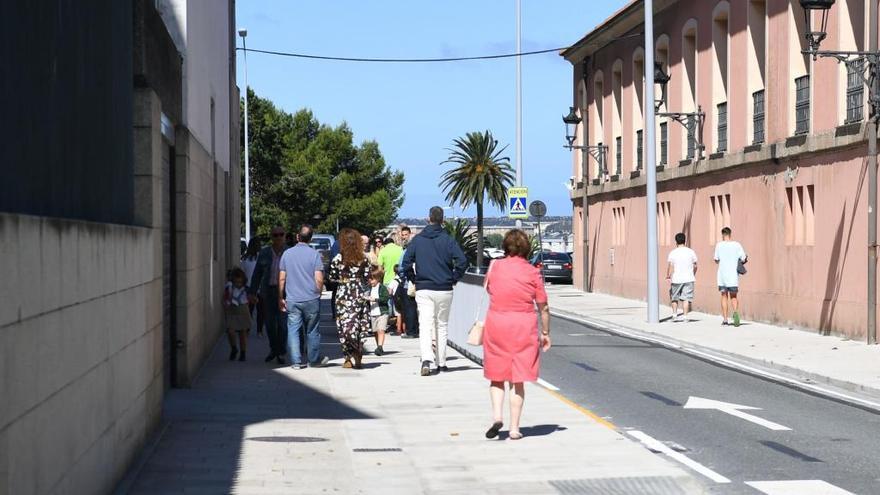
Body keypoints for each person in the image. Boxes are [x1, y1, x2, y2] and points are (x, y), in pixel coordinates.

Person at [482, 229, 550, 440]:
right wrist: (546, 332)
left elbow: (488, 289)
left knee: (496, 376)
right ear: (526, 248)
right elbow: (543, 306)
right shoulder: (532, 272)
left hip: (497, 323)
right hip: (523, 326)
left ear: (505, 247)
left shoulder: (495, 266)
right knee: (517, 379)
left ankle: (496, 417)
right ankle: (514, 428)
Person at [400, 206, 468, 376]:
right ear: (442, 220)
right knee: (442, 325)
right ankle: (442, 362)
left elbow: (406, 263)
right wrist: (454, 277)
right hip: (445, 288)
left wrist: (414, 279)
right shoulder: (448, 239)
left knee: (425, 324)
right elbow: (462, 261)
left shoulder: (417, 240)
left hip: (424, 287)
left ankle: (427, 359)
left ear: (428, 219)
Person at [278, 224, 330, 369]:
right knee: (312, 330)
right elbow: (319, 278)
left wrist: (280, 297)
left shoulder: (287, 254)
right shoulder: (314, 255)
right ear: (311, 238)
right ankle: (313, 360)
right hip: (311, 298)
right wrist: (318, 293)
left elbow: (282, 278)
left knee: (293, 330)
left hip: (293, 298)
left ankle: (296, 361)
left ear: (297, 236)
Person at [329, 228, 373, 369]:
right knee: (356, 326)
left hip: (344, 294)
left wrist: (344, 279)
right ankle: (353, 354)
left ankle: (351, 356)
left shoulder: (338, 258)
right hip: (357, 294)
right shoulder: (364, 259)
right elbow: (367, 278)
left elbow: (332, 277)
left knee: (345, 328)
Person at [249, 226, 288, 364]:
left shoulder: (289, 252)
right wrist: (253, 292)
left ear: (285, 236)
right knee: (270, 324)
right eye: (275, 235)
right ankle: (274, 349)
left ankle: (281, 352)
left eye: (280, 234)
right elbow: (257, 274)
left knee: (283, 324)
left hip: (284, 293)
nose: (278, 237)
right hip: (268, 292)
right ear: (272, 237)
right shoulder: (264, 253)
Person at [714, 227, 747, 327]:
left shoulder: (719, 245)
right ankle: (736, 313)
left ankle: (725, 320)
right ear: (730, 234)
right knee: (734, 296)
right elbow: (743, 258)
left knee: (724, 296)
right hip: (733, 276)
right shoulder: (737, 245)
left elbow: (716, 259)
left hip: (722, 276)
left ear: (722, 235)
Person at [666, 232, 698, 322]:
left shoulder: (673, 253)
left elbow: (669, 266)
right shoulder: (691, 252)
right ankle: (685, 317)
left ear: (676, 241)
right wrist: (693, 274)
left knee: (674, 297)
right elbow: (695, 265)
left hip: (676, 279)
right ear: (685, 240)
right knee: (686, 298)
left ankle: (674, 315)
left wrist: (668, 276)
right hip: (689, 278)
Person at [223, 267, 252, 362]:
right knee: (230, 331)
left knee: (242, 333)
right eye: (236, 282)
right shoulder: (229, 288)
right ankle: (234, 348)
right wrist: (225, 305)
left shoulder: (246, 289)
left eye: (240, 282)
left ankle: (243, 352)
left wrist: (253, 299)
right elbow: (224, 298)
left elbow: (251, 298)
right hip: (232, 310)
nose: (238, 284)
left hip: (243, 310)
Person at [377, 235, 404, 323]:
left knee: (389, 302)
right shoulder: (400, 249)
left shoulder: (383, 251)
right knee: (399, 302)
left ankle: (389, 321)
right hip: (399, 279)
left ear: (385, 244)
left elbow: (380, 268)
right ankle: (398, 322)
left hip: (387, 279)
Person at [241, 238, 264, 337]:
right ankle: (259, 331)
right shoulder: (261, 258)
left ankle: (247, 329)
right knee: (261, 311)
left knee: (249, 311)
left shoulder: (245, 259)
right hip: (260, 288)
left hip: (248, 288)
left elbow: (243, 274)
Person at [366, 267, 390, 356]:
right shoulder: (368, 288)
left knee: (381, 330)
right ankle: (378, 346)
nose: (370, 281)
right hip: (373, 312)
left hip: (382, 312)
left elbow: (386, 298)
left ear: (378, 279)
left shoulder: (382, 288)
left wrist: (375, 299)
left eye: (372, 279)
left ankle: (380, 347)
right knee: (375, 331)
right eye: (369, 279)